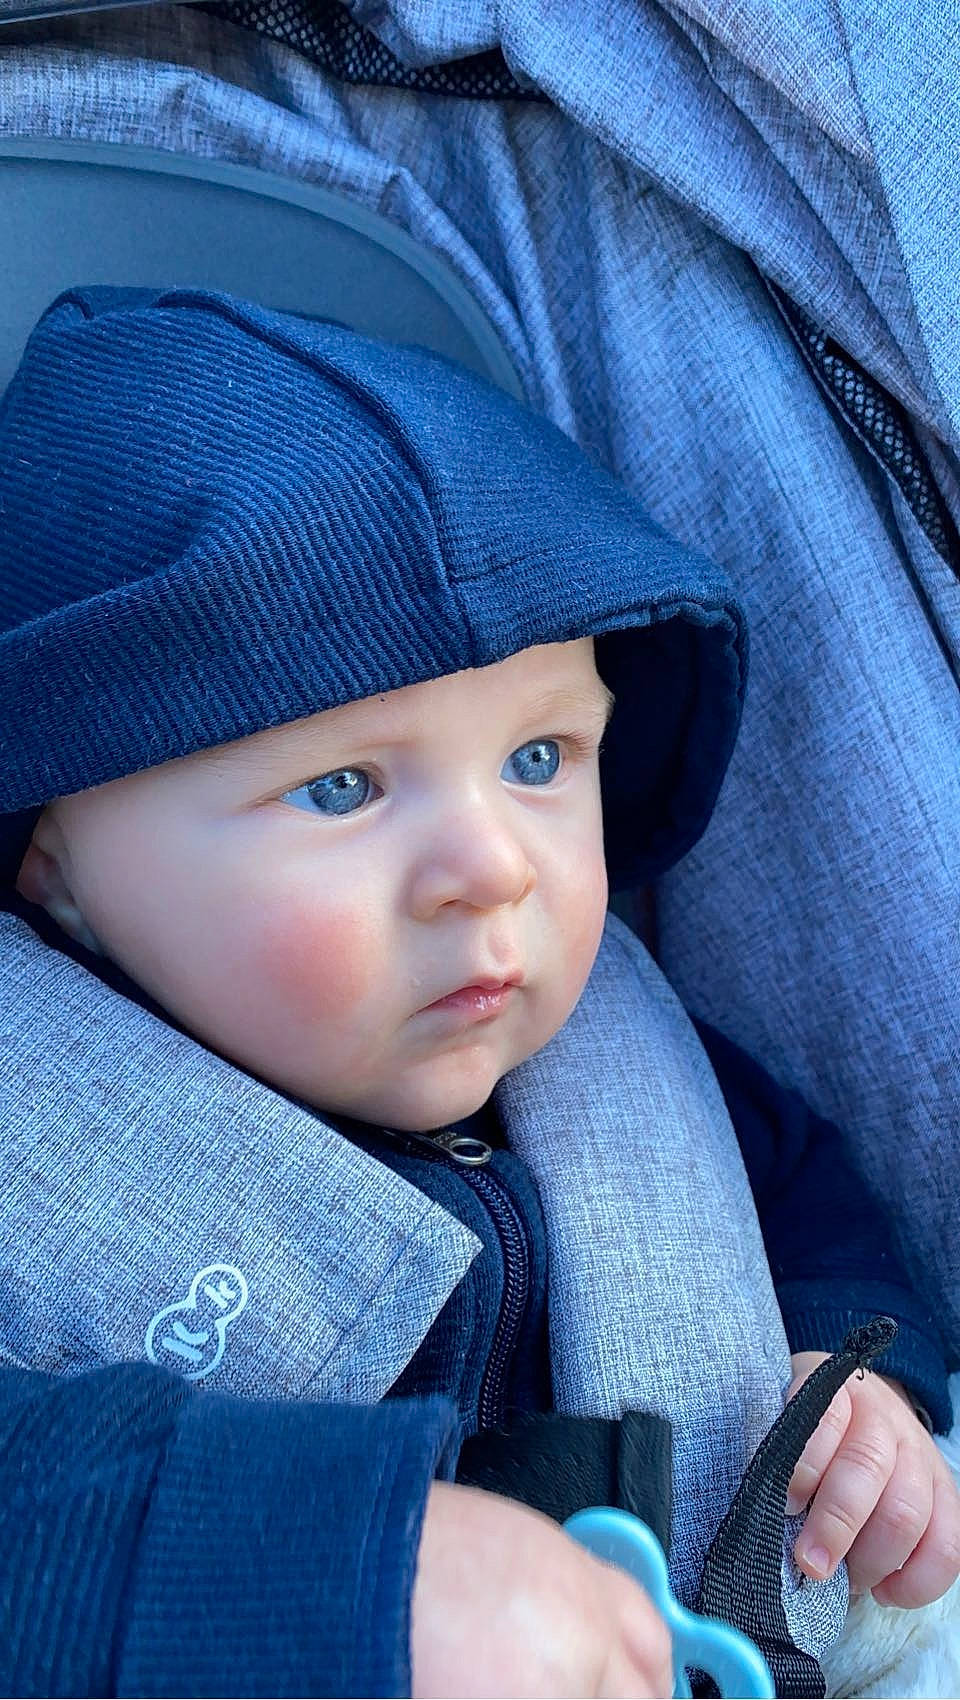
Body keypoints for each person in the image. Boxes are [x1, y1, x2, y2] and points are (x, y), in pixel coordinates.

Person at [0, 284, 957, 1698]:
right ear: (55, 858)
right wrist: (323, 1570)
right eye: (341, 787)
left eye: (539, 760)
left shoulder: (632, 1056)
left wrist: (864, 1394)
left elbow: (810, 1206)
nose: (490, 868)